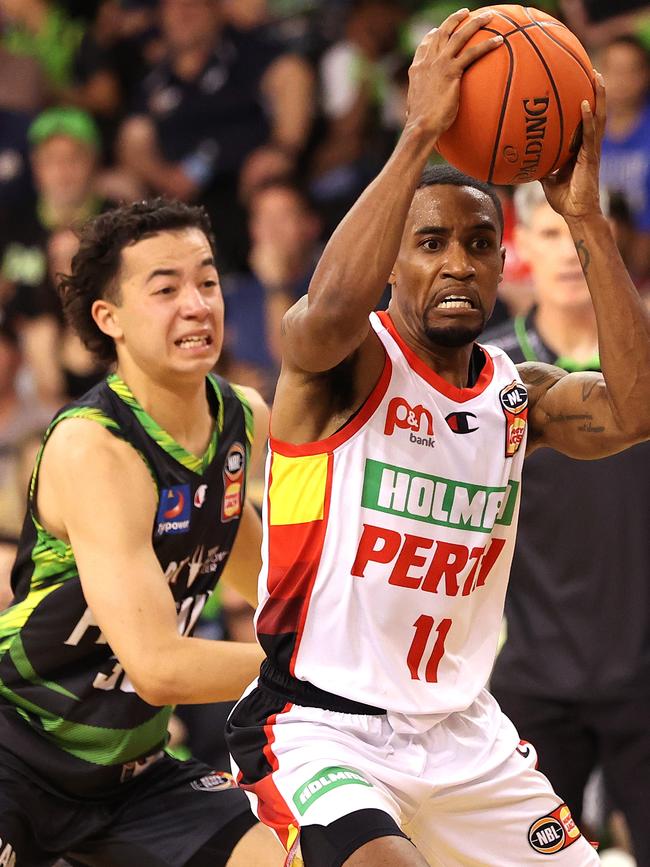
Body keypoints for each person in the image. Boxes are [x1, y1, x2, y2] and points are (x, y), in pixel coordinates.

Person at [225, 9, 650, 866]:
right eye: (430, 242)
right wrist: (419, 129)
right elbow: (324, 316)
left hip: (468, 736)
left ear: (504, 266)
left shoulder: (512, 396)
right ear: (394, 259)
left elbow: (635, 411)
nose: (457, 260)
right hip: (324, 726)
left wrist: (587, 223)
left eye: (479, 243)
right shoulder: (343, 367)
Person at [0, 198, 284, 867]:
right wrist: (331, 671)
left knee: (281, 856)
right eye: (165, 288)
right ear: (110, 318)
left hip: (131, 773)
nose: (197, 303)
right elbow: (157, 666)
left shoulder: (244, 418)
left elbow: (265, 579)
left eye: (208, 281)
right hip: (17, 746)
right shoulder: (92, 447)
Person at [484, 181, 650, 866]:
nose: (567, 252)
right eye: (548, 235)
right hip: (531, 674)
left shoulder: (643, 371)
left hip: (645, 672)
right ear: (520, 248)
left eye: (581, 233)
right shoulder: (492, 376)